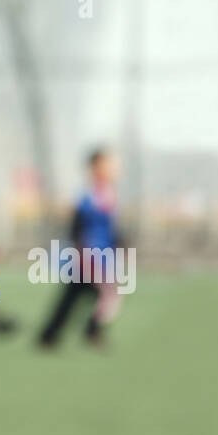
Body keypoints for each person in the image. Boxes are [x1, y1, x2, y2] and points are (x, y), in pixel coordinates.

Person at [38, 147, 123, 348]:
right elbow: (77, 225)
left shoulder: (107, 193)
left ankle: (50, 335)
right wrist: (80, 250)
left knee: (76, 293)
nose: (112, 168)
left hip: (102, 254)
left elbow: (111, 228)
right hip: (89, 253)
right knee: (110, 293)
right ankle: (91, 330)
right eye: (107, 164)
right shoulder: (89, 194)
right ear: (95, 167)